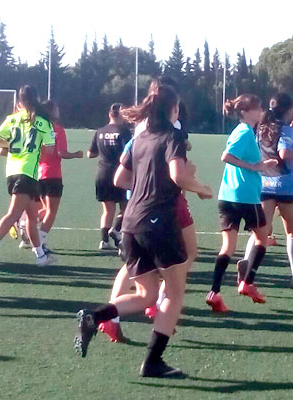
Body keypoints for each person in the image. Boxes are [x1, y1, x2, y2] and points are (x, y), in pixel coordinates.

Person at [74, 85, 212, 378]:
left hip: (131, 223)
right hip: (158, 222)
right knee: (174, 293)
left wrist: (147, 182)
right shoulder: (172, 136)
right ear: (173, 109)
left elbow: (120, 178)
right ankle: (152, 362)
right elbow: (177, 175)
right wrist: (201, 188)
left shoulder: (139, 139)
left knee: (147, 294)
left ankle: (94, 317)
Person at [205, 94, 277, 313]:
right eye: (257, 108)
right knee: (263, 238)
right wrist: (255, 167)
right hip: (245, 196)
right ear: (245, 112)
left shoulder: (243, 131)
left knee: (228, 246)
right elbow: (226, 156)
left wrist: (260, 164)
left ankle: (215, 292)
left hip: (227, 195)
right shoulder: (245, 131)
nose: (261, 111)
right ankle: (248, 282)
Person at [238, 93, 293, 288]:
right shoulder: (285, 129)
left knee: (260, 232)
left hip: (263, 183)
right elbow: (284, 153)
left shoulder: (259, 127)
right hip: (284, 184)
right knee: (292, 232)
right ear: (286, 110)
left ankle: (246, 263)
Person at [0, 85, 55, 266]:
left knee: (31, 215)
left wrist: (9, 146)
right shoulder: (43, 122)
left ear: (19, 101)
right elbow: (50, 150)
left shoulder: (12, 119)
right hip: (27, 172)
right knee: (13, 214)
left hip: (12, 172)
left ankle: (41, 256)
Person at [37, 100, 83, 252]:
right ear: (51, 111)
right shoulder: (57, 129)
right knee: (51, 211)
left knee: (44, 208)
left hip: (38, 173)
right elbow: (61, 153)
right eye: (56, 108)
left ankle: (24, 224)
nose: (58, 111)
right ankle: (40, 242)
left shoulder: (38, 127)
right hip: (53, 174)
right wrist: (75, 154)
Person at [88, 103, 132, 250]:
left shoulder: (100, 131)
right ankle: (117, 229)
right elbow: (129, 152)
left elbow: (90, 154)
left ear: (109, 115)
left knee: (107, 210)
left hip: (102, 173)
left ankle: (104, 240)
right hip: (120, 174)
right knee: (127, 206)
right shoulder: (124, 132)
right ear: (122, 115)